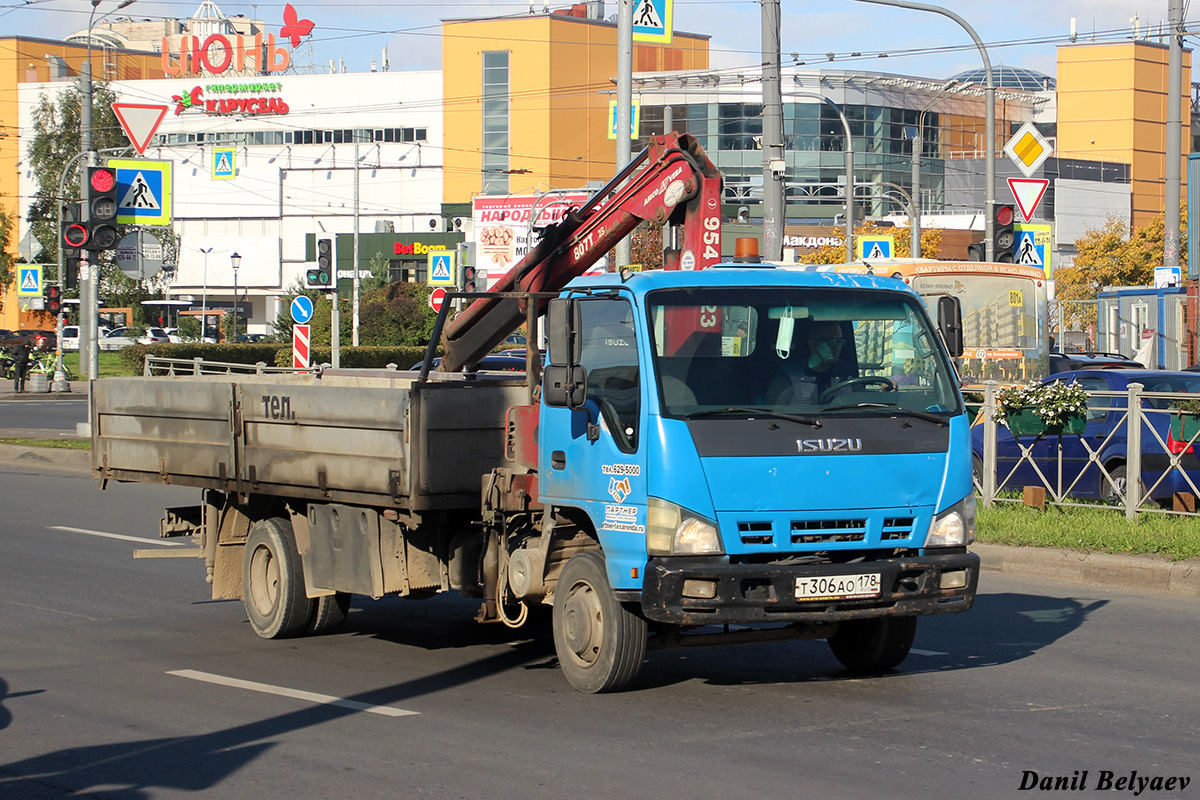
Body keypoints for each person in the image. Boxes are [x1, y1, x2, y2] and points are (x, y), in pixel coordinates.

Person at [768, 320, 856, 404]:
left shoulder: (846, 372)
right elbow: (773, 412)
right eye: (831, 341)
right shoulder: (788, 376)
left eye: (839, 341)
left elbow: (860, 401)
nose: (837, 347)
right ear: (812, 343)